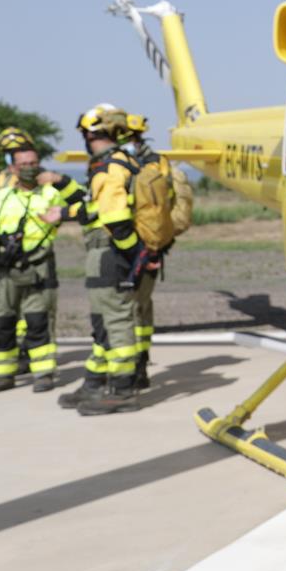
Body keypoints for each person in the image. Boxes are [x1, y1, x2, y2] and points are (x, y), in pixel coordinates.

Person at [0, 141, 68, 393]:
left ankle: (43, 374)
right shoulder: (0, 198)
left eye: (33, 163)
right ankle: (2, 375)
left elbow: (79, 199)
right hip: (5, 270)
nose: (29, 168)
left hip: (38, 268)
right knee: (3, 323)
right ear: (13, 169)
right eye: (24, 164)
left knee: (39, 322)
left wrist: (60, 182)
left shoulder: (51, 193)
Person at [58, 105, 146, 415]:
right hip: (107, 251)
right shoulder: (120, 163)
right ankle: (95, 382)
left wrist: (129, 254)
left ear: (91, 134)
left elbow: (116, 218)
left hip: (110, 252)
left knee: (116, 320)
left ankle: (122, 391)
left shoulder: (109, 167)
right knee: (103, 321)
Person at [0, 127, 86, 373]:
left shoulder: (48, 182)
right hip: (5, 259)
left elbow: (82, 202)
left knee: (39, 316)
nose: (18, 160)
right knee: (7, 317)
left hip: (37, 259)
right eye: (9, 154)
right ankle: (16, 360)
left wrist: (59, 181)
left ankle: (37, 362)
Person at [120, 114, 186, 390]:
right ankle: (138, 365)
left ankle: (134, 368)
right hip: (146, 247)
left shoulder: (145, 169)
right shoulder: (159, 165)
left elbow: (169, 211)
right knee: (140, 310)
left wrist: (155, 245)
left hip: (137, 250)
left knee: (132, 310)